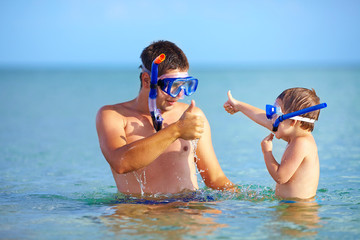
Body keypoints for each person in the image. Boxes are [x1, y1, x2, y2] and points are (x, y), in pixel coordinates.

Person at [96, 40, 234, 195]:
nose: (180, 95)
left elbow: (215, 179)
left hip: (188, 211)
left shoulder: (191, 115)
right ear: (147, 80)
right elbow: (121, 163)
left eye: (185, 85)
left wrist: (247, 205)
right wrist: (176, 130)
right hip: (139, 213)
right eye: (173, 85)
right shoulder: (114, 116)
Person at [224, 87, 325, 200]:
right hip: (289, 207)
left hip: (298, 211)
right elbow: (264, 119)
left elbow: (280, 177)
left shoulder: (302, 143)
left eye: (276, 112)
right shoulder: (295, 135)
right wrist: (238, 106)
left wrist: (267, 152)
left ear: (292, 121)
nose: (271, 119)